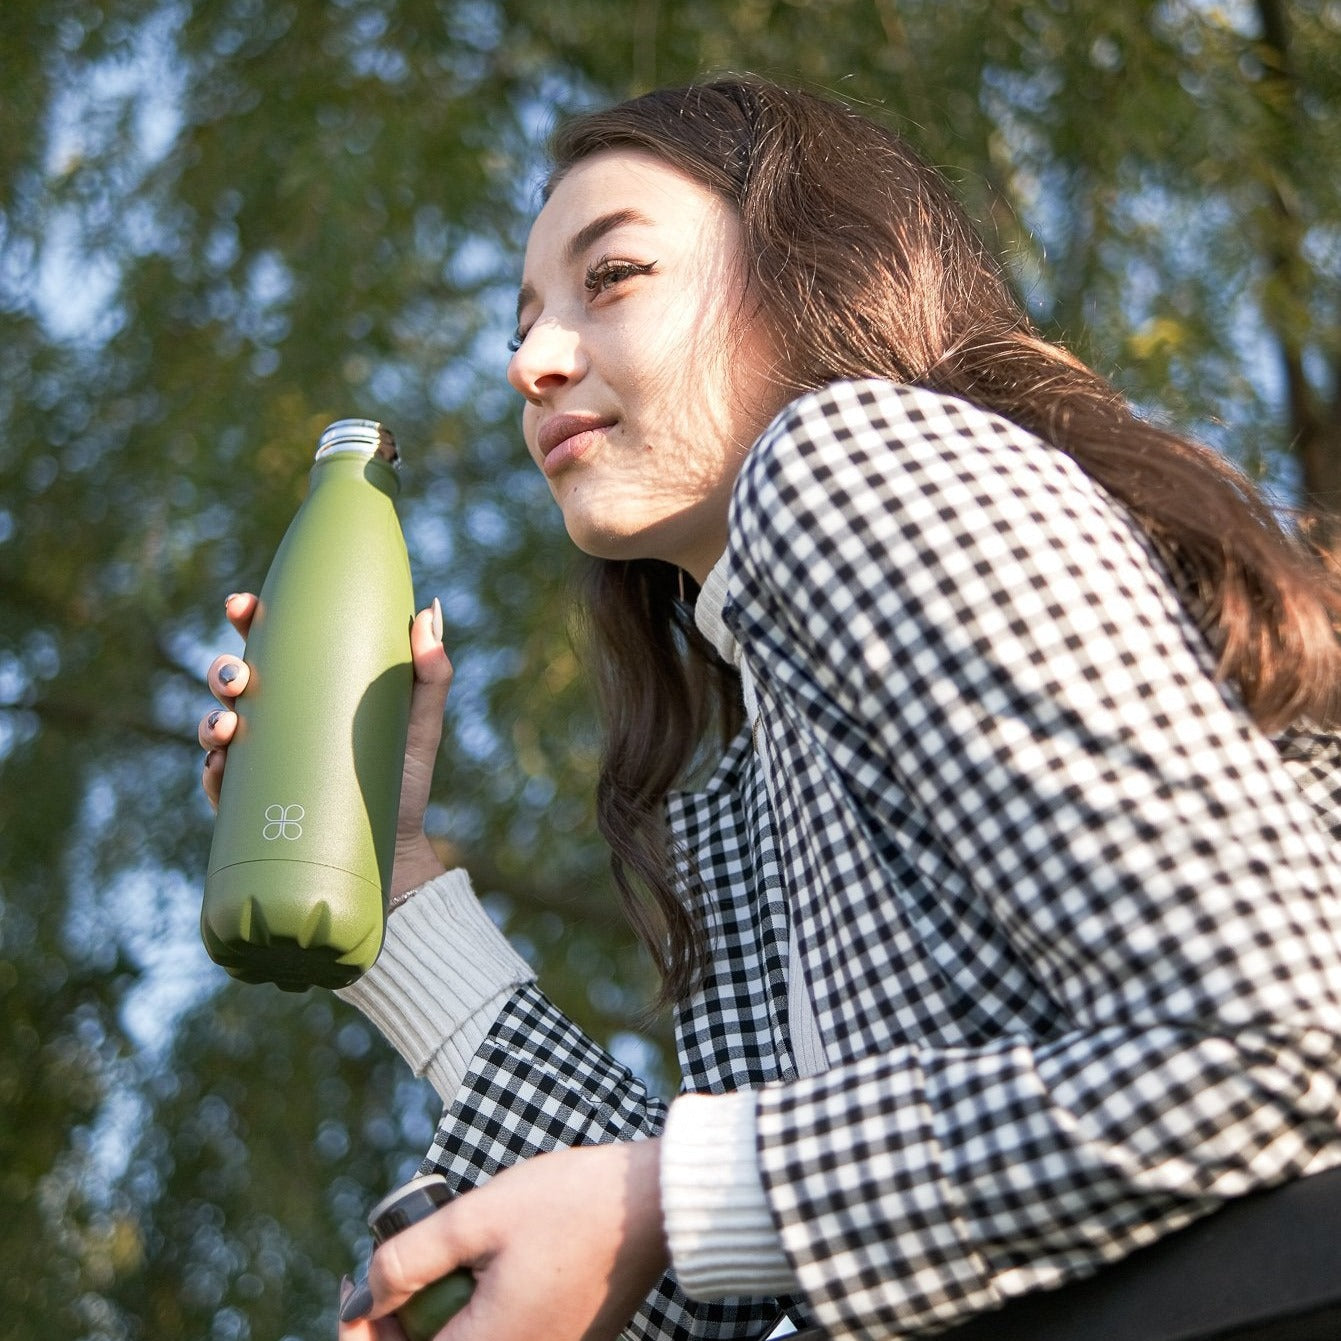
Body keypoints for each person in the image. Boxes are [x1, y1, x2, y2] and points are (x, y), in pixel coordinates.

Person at [199, 77, 1341, 1341]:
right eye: (519, 327)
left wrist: (671, 1196)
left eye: (613, 274)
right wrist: (396, 890)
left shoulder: (852, 458)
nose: (532, 363)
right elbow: (745, 1295)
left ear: (813, 274)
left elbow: (1278, 1031)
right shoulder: (750, 793)